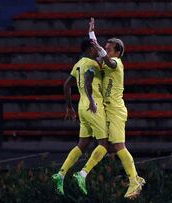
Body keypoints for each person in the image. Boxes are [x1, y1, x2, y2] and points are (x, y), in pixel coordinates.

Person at [88, 17, 145, 199]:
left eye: (109, 48)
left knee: (119, 146)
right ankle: (135, 178)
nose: (106, 50)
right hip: (108, 109)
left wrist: (97, 44)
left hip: (116, 110)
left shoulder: (117, 64)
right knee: (110, 146)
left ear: (118, 52)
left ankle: (135, 179)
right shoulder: (106, 63)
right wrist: (91, 35)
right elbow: (94, 54)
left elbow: (105, 58)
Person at [51, 38, 109, 195]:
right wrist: (92, 101)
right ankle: (82, 174)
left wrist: (69, 106)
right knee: (104, 144)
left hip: (81, 107)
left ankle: (61, 174)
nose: (98, 49)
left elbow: (66, 85)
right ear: (91, 49)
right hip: (93, 106)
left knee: (82, 144)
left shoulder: (78, 64)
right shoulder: (91, 64)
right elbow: (89, 80)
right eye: (95, 47)